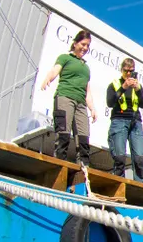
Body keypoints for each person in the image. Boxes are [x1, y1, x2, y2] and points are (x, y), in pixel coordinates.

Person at [39, 29, 98, 165]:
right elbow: (55, 69)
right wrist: (48, 78)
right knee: (63, 134)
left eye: (87, 45)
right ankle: (59, 164)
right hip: (65, 97)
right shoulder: (65, 58)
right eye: (83, 44)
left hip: (81, 104)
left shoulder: (86, 68)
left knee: (83, 138)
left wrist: (92, 108)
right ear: (75, 43)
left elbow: (87, 91)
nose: (85, 48)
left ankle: (83, 168)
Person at [105, 57, 143, 181]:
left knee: (140, 157)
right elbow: (110, 102)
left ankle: (140, 186)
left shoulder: (138, 87)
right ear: (121, 70)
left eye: (132, 71)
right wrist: (124, 87)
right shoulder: (114, 84)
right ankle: (119, 183)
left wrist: (138, 90)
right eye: (126, 71)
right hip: (119, 120)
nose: (129, 74)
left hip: (135, 121)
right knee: (119, 157)